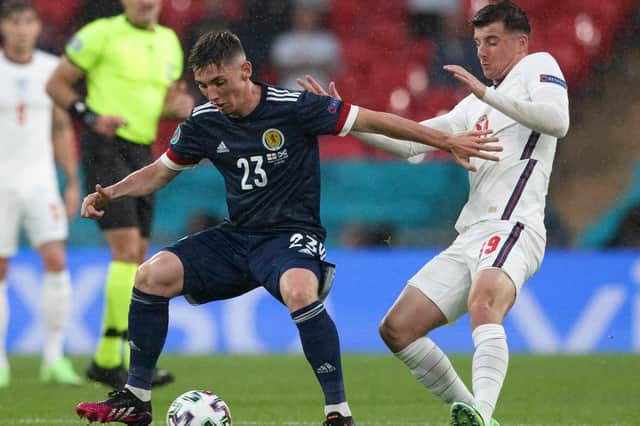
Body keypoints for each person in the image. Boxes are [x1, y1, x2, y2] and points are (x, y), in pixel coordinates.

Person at [73, 30, 500, 426]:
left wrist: (444, 141)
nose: (212, 95)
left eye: (220, 83)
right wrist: (112, 192)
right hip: (238, 237)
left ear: (245, 70)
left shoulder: (294, 107)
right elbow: (161, 172)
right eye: (204, 86)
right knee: (151, 275)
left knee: (300, 291)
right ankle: (136, 397)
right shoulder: (204, 122)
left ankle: (338, 412)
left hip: (291, 237)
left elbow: (373, 120)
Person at [300, 2, 569, 425]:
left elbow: (558, 121)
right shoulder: (473, 107)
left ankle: (482, 410)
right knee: (397, 328)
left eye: (492, 41)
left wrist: (488, 94)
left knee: (484, 302)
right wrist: (345, 120)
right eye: (479, 42)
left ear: (520, 42)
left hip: (516, 226)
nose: (482, 51)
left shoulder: (538, 66)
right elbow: (412, 145)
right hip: (471, 235)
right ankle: (476, 415)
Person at [46, 0, 194, 389]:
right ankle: (111, 357)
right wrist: (91, 118)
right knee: (127, 249)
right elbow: (56, 83)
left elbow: (157, 103)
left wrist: (175, 107)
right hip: (105, 146)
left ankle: (119, 358)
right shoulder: (100, 34)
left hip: (142, 151)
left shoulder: (169, 42)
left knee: (137, 256)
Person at [0, 0, 82, 387]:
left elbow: (61, 128)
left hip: (40, 179)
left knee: (56, 259)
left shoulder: (51, 69)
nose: (21, 29)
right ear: (3, 27)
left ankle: (53, 358)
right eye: (14, 22)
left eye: (27, 22)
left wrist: (72, 182)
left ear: (36, 27)